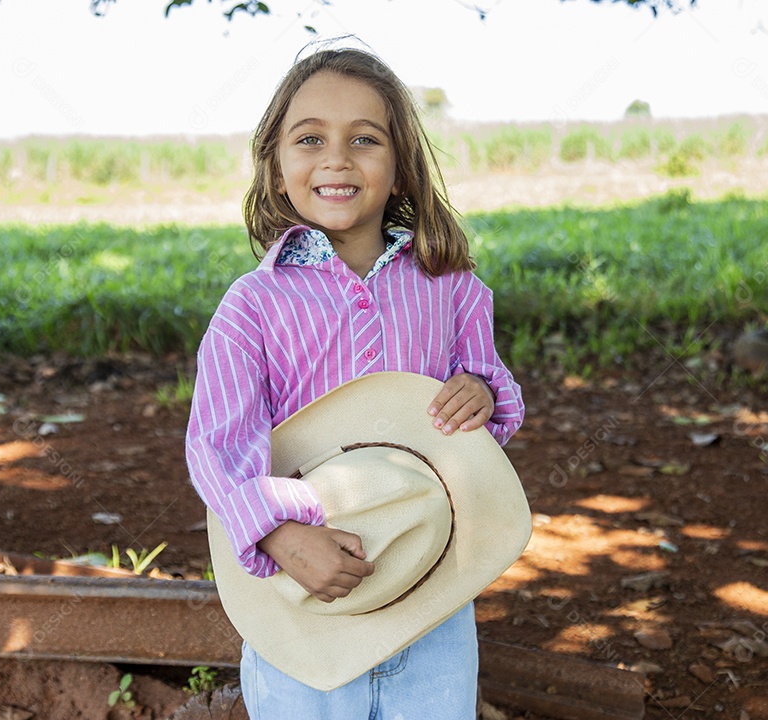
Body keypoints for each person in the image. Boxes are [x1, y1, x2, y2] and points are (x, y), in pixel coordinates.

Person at [186, 45, 525, 719]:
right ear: (277, 168)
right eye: (310, 138)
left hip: (429, 591)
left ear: (400, 166)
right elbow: (217, 448)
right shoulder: (252, 306)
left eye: (364, 140)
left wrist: (482, 395)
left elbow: (487, 389)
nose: (336, 159)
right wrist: (278, 535)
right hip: (304, 597)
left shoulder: (451, 288)